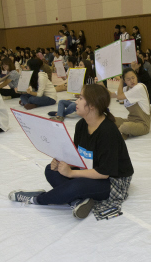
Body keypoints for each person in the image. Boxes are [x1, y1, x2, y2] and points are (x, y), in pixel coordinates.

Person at [8, 84, 134, 220]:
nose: (76, 102)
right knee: (50, 170)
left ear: (92, 105)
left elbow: (104, 173)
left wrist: (71, 173)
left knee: (76, 186)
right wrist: (62, 162)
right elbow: (76, 155)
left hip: (113, 181)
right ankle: (79, 200)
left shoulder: (108, 131)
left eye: (80, 98)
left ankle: (37, 199)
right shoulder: (81, 125)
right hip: (89, 169)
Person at [111, 68, 151, 139]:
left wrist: (120, 82)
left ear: (136, 77)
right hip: (131, 120)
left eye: (133, 78)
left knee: (125, 126)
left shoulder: (139, 87)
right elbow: (110, 95)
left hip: (143, 125)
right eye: (128, 79)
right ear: (125, 81)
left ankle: (118, 134)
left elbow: (119, 97)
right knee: (110, 119)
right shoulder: (126, 89)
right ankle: (123, 133)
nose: (132, 81)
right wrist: (100, 83)